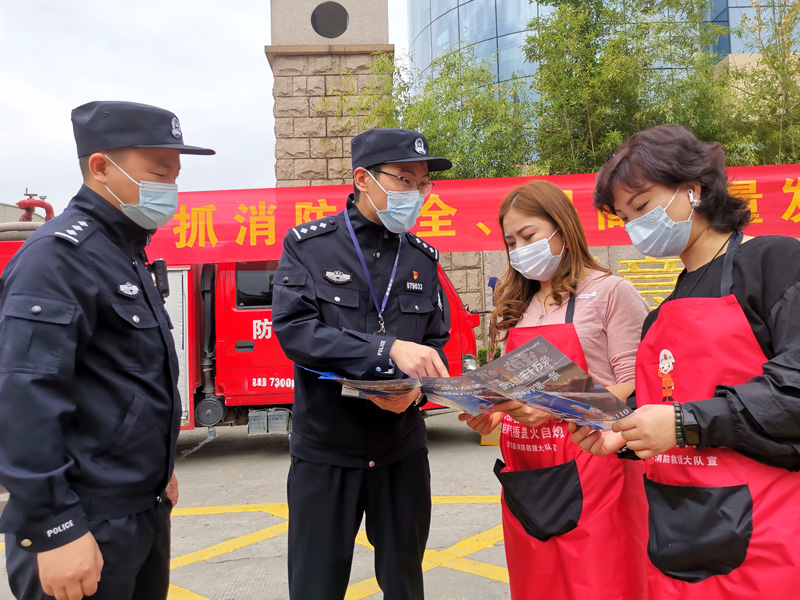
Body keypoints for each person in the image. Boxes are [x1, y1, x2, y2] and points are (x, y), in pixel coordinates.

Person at [573, 124, 800, 600]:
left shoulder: (775, 262)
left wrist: (684, 424)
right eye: (624, 217)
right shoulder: (661, 313)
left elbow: (793, 391)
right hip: (675, 534)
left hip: (766, 533)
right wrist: (621, 434)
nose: (635, 226)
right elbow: (661, 405)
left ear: (693, 189)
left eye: (642, 206)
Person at [0, 100, 214, 600]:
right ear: (100, 167)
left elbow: (125, 380)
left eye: (175, 175)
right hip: (85, 521)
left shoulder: (124, 254)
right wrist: (53, 525)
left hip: (140, 508)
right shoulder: (58, 259)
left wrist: (159, 471)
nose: (170, 187)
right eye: (159, 172)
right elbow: (24, 398)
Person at [272, 128, 452, 600]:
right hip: (326, 450)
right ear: (362, 179)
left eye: (423, 184)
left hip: (401, 450)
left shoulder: (422, 257)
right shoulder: (309, 246)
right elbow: (295, 331)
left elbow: (435, 342)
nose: (416, 193)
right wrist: (385, 349)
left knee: (405, 582)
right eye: (405, 179)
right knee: (315, 586)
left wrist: (417, 393)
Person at [460, 180, 650, 600]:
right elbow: (511, 384)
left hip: (596, 466)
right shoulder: (516, 304)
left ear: (562, 231)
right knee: (537, 585)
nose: (519, 249)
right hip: (527, 473)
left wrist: (555, 406)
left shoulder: (610, 292)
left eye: (528, 236)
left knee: (601, 585)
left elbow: (638, 382)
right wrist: (491, 411)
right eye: (511, 242)